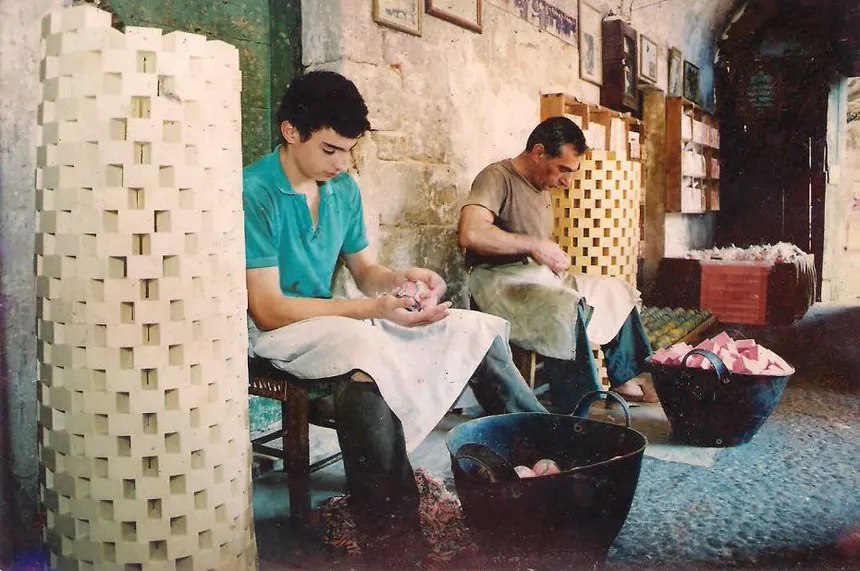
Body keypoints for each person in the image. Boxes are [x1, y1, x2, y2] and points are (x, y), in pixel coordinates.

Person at [242, 70, 547, 568]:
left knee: (474, 328)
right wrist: (374, 310)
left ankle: (540, 465)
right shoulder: (254, 190)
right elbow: (270, 309)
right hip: (281, 331)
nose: (342, 164)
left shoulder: (343, 189)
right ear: (290, 132)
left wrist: (401, 281)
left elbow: (365, 272)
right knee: (368, 359)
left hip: (337, 317)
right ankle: (396, 543)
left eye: (350, 151)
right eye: (331, 150)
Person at [458, 116, 655, 413]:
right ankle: (575, 411)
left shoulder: (542, 188)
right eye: (563, 169)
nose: (567, 181)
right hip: (498, 282)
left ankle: (624, 380)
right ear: (538, 153)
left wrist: (547, 255)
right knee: (566, 308)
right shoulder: (496, 177)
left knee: (616, 291)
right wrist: (535, 245)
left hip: (538, 278)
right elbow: (471, 233)